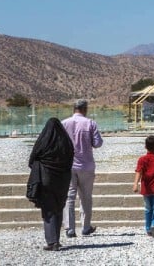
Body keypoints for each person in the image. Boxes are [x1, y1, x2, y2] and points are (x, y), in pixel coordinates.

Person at [27, 117, 74, 251]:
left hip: (46, 178)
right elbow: (71, 158)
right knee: (58, 207)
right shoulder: (66, 142)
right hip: (63, 180)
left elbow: (33, 158)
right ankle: (56, 240)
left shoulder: (44, 141)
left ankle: (52, 241)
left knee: (48, 209)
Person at [62, 99, 103, 238]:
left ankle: (69, 228)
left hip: (68, 165)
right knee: (86, 197)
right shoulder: (90, 123)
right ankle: (85, 227)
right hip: (86, 165)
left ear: (74, 109)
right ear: (85, 109)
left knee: (69, 197)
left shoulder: (64, 123)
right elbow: (97, 143)